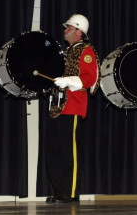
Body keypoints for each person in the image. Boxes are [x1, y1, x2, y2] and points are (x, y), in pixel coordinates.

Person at [45, 14, 100, 203]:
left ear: (79, 31)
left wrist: (68, 80)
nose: (65, 30)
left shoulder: (85, 50)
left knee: (69, 152)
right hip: (56, 106)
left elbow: (89, 78)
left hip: (72, 105)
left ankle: (70, 192)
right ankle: (59, 191)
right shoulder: (65, 51)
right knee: (53, 151)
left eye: (68, 27)